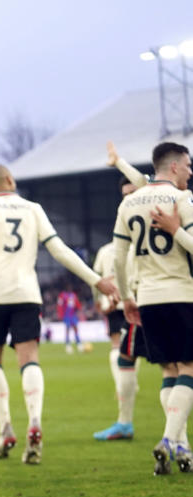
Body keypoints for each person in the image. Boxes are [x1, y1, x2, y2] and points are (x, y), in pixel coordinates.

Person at [0, 164, 117, 465]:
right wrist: (95, 280)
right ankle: (34, 420)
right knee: (29, 358)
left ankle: (5, 426)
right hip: (27, 293)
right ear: (10, 180)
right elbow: (59, 250)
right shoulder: (32, 208)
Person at [113, 141, 193, 474]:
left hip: (147, 297)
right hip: (181, 293)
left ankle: (183, 447)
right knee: (188, 368)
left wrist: (126, 297)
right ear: (173, 167)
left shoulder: (129, 202)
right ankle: (168, 439)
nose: (190, 172)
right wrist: (176, 230)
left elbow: (119, 258)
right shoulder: (182, 199)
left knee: (168, 371)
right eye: (188, 165)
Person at [92, 142, 150, 441]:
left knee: (176, 365)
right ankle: (126, 420)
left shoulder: (161, 206)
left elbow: (144, 183)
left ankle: (174, 437)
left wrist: (119, 162)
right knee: (125, 357)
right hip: (128, 305)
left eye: (133, 193)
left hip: (150, 299)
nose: (129, 199)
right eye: (124, 196)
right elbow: (101, 278)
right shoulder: (113, 245)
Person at [56, 282, 82, 354]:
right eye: (68, 287)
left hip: (73, 315)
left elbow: (77, 304)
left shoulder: (73, 295)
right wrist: (60, 315)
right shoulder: (62, 295)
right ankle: (68, 344)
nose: (69, 288)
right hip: (66, 315)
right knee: (67, 329)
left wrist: (79, 309)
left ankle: (78, 343)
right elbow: (59, 305)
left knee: (75, 328)